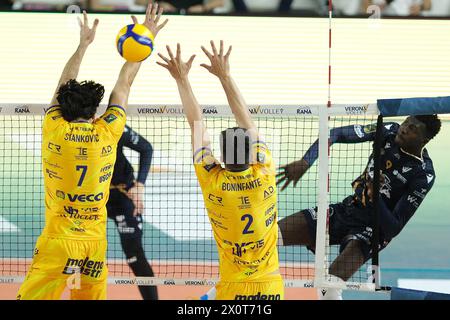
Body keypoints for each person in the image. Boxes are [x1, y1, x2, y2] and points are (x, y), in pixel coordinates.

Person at [16, 3, 168, 300]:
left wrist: (83, 45)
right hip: (93, 245)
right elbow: (123, 86)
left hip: (58, 242)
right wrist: (144, 40)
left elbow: (62, 86)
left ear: (63, 108)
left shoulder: (54, 128)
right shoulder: (108, 131)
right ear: (95, 111)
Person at [157, 41, 284, 300]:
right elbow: (245, 119)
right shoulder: (265, 169)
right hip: (270, 287)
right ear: (252, 154)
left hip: (232, 288)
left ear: (221, 159)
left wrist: (182, 79)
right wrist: (225, 76)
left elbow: (196, 125)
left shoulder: (212, 179)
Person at [276, 115, 441, 299]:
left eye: (413, 129)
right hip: (348, 210)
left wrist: (375, 197)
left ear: (423, 140)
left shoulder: (423, 174)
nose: (404, 129)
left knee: (328, 288)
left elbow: (393, 228)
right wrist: (306, 161)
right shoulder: (388, 131)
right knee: (270, 235)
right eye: (406, 123)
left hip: (372, 231)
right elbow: (336, 134)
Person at [107, 125, 158, 300]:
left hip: (123, 195)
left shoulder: (112, 126)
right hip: (93, 198)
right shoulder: (71, 130)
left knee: (134, 255)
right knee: (81, 255)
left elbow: (146, 148)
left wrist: (140, 185)